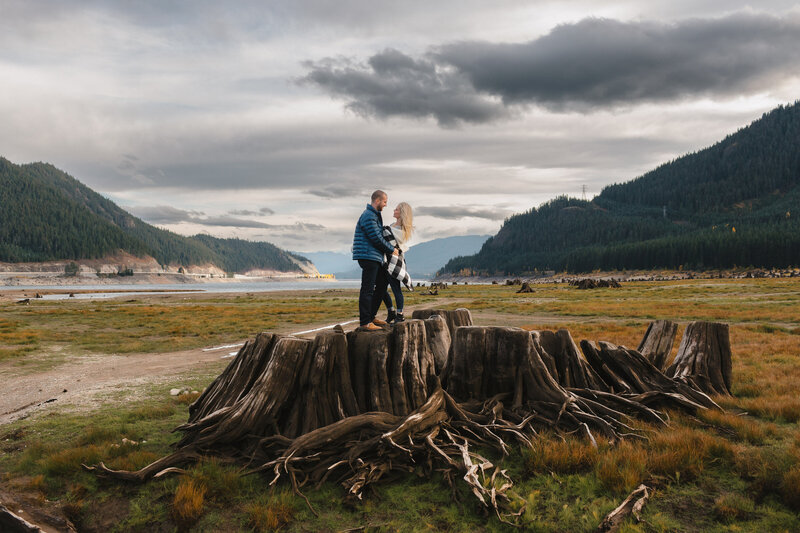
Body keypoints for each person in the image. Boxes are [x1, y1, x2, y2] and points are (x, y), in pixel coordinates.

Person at [352, 190, 398, 331]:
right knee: (367, 289)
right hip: (368, 256)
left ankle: (371, 316)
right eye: (384, 202)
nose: (385, 205)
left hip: (373, 256)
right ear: (377, 201)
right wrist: (391, 249)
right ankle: (365, 322)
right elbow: (376, 237)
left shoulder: (373, 215)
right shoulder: (369, 216)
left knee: (382, 284)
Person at [381, 202, 414, 323]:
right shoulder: (392, 226)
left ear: (402, 213)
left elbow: (390, 241)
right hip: (385, 261)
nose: (394, 210)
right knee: (381, 288)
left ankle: (400, 314)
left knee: (396, 289)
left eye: (396, 209)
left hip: (395, 261)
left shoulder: (401, 230)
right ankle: (391, 312)